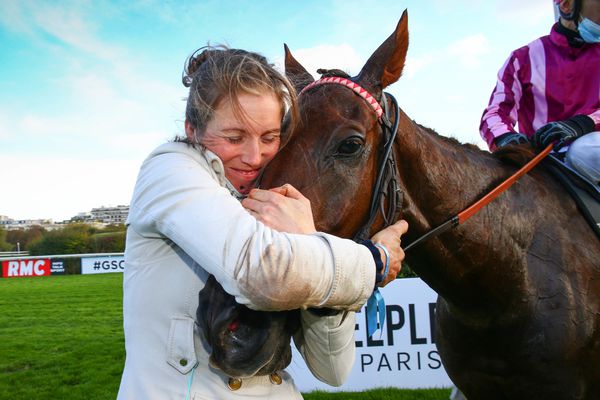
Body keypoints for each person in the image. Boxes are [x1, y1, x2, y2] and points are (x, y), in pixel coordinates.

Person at [116, 45, 409, 399]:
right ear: (192, 130)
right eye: (234, 138)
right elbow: (261, 274)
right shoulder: (169, 169)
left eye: (270, 138)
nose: (255, 157)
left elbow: (333, 369)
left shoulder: (282, 203)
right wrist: (373, 260)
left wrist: (310, 241)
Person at [480, 0, 600, 185]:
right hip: (543, 166)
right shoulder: (522, 58)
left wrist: (584, 123)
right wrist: (506, 138)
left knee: (583, 151)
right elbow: (495, 113)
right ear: (567, 5)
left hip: (591, 153)